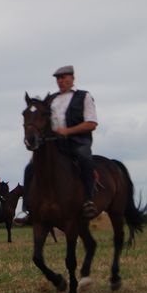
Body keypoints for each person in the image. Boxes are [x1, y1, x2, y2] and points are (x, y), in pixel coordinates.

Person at [24, 65, 98, 218]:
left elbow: (91, 123)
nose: (60, 81)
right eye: (58, 78)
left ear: (72, 78)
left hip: (77, 142)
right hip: (53, 144)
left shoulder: (84, 96)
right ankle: (28, 208)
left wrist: (67, 131)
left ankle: (89, 201)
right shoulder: (51, 99)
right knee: (30, 168)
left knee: (84, 158)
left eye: (64, 77)